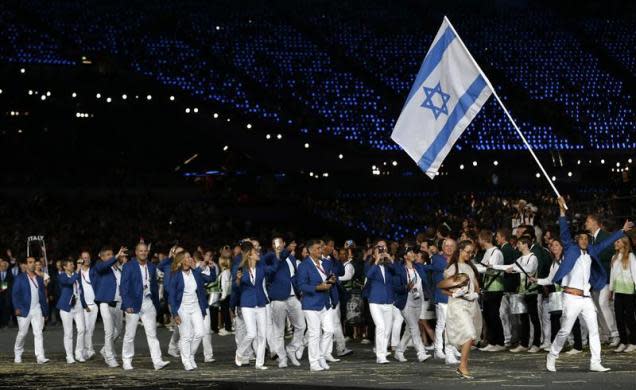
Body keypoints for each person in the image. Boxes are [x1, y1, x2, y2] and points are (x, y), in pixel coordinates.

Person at [547, 196, 633, 373]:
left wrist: (621, 231)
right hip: (571, 297)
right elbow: (564, 231)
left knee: (594, 330)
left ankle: (595, 362)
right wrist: (562, 211)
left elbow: (606, 242)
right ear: (577, 240)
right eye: (582, 239)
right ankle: (552, 355)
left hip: (586, 298)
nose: (585, 241)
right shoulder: (571, 249)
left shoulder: (592, 251)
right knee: (565, 330)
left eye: (587, 239)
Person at [120, 243, 170, 370]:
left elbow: (154, 286)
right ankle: (126, 360)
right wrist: (127, 304)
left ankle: (157, 361)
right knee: (130, 335)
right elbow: (123, 287)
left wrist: (156, 305)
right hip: (133, 303)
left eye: (145, 251)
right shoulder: (128, 266)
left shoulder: (152, 267)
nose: (143, 253)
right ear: (136, 252)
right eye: (141, 251)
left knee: (152, 334)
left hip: (148, 303)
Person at [437, 240, 482, 379]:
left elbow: (476, 287)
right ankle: (462, 366)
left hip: (471, 305)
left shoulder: (470, 267)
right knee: (469, 333)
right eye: (468, 251)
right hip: (458, 305)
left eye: (471, 252)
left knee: (470, 336)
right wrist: (455, 293)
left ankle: (461, 364)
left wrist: (474, 293)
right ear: (461, 250)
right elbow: (442, 288)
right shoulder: (453, 268)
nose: (470, 254)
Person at [234, 244, 280, 369]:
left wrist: (276, 254)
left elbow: (274, 268)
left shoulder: (261, 267)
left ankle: (259, 363)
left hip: (260, 303)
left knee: (262, 335)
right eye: (256, 252)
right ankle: (240, 352)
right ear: (249, 254)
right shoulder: (241, 268)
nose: (258, 254)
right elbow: (236, 287)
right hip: (247, 303)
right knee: (251, 333)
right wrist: (238, 280)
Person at [297, 239, 337, 371]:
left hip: (325, 303)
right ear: (310, 251)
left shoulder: (325, 263)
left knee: (330, 330)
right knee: (315, 334)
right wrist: (317, 287)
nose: (320, 250)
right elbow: (301, 285)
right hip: (311, 304)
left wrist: (331, 281)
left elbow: (327, 280)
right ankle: (314, 363)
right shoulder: (304, 265)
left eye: (320, 248)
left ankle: (320, 356)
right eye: (317, 248)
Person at [266, 237, 305, 368]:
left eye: (279, 243)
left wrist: (300, 290)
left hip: (293, 296)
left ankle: (291, 349)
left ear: (283, 243)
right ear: (272, 245)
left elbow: (294, 275)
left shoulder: (291, 258)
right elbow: (279, 259)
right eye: (274, 243)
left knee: (301, 326)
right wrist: (284, 251)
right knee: (278, 331)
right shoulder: (270, 257)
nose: (277, 245)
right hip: (278, 298)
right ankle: (282, 358)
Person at [169, 251, 211, 370]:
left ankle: (191, 355)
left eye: (190, 256)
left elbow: (209, 279)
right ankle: (186, 360)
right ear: (182, 261)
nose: (190, 258)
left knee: (200, 333)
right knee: (186, 336)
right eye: (187, 257)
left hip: (195, 306)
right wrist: (175, 313)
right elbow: (171, 295)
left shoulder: (196, 273)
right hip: (182, 307)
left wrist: (209, 267)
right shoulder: (175, 275)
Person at [501, 237, 541, 353]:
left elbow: (529, 269)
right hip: (522, 292)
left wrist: (514, 268)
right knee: (523, 318)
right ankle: (524, 343)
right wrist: (493, 266)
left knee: (534, 318)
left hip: (531, 292)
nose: (517, 246)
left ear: (525, 245)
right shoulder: (520, 259)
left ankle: (536, 344)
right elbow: (509, 267)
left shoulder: (533, 258)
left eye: (519, 244)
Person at [586, 214, 621, 346]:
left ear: (595, 223)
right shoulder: (591, 239)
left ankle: (615, 333)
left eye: (588, 221)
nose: (585, 223)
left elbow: (613, 253)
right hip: (595, 279)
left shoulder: (605, 236)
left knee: (603, 304)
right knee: (597, 306)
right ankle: (606, 334)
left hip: (606, 276)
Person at [392, 246, 431, 362]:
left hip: (418, 300)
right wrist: (406, 287)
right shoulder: (399, 270)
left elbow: (429, 271)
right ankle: (421, 353)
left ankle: (399, 351)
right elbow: (396, 288)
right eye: (410, 252)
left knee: (410, 329)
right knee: (414, 327)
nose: (413, 254)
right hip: (406, 301)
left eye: (414, 252)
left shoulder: (418, 267)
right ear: (405, 256)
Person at [424, 238, 460, 364]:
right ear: (442, 247)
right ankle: (438, 349)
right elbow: (447, 270)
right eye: (446, 246)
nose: (449, 248)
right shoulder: (437, 259)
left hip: (455, 296)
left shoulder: (457, 259)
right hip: (442, 296)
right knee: (442, 323)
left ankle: (453, 347)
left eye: (451, 246)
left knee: (454, 324)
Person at [93, 246, 127, 367]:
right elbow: (103, 266)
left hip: (118, 303)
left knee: (118, 330)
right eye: (108, 254)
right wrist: (116, 257)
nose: (111, 256)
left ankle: (104, 349)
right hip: (105, 303)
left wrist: (123, 263)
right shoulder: (99, 266)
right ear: (102, 257)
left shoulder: (117, 268)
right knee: (109, 331)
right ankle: (109, 356)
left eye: (111, 254)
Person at [12, 256, 50, 364]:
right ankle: (18, 353)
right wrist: (17, 308)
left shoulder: (39, 278)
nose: (32, 264)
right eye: (30, 262)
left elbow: (43, 297)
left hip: (37, 309)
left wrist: (45, 311)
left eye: (34, 262)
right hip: (24, 309)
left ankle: (40, 356)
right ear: (26, 264)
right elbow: (15, 294)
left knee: (38, 333)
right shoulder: (20, 278)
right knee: (22, 333)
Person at [365, 239, 395, 364]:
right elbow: (369, 275)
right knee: (381, 327)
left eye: (383, 249)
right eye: (379, 249)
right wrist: (376, 260)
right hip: (375, 301)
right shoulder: (370, 265)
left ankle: (382, 352)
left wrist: (390, 259)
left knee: (387, 329)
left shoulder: (388, 265)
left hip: (388, 301)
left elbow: (398, 272)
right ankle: (380, 355)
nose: (382, 251)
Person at [475, 230, 506, 352]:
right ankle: (492, 341)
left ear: (483, 239)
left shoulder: (496, 252)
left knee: (493, 315)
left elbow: (490, 269)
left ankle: (499, 342)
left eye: (479, 239)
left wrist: (475, 267)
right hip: (488, 287)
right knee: (488, 315)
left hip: (495, 287)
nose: (478, 241)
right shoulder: (487, 252)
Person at [57, 259, 89, 363]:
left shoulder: (76, 276)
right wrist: (77, 271)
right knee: (68, 333)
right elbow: (69, 282)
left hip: (78, 306)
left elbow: (81, 291)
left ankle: (78, 353)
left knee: (81, 329)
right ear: (65, 267)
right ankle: (69, 355)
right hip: (66, 307)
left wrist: (84, 305)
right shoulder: (62, 276)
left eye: (73, 264)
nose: (73, 265)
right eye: (70, 264)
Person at [608, 236, 636, 352]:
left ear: (624, 243)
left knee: (630, 318)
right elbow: (612, 276)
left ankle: (634, 342)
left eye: (618, 241)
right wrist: (611, 290)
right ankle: (623, 341)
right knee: (618, 317)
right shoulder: (614, 258)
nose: (615, 243)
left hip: (629, 292)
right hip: (618, 292)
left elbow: (635, 274)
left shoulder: (631, 256)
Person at [78, 250, 98, 359]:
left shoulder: (94, 270)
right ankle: (89, 350)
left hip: (94, 304)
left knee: (91, 329)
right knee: (85, 329)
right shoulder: (78, 272)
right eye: (84, 257)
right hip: (83, 305)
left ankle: (85, 351)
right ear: (80, 259)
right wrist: (84, 304)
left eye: (88, 257)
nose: (86, 259)